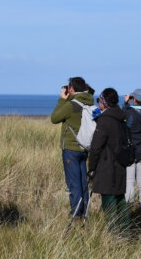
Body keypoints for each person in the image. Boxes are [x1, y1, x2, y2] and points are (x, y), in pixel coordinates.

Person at [50, 77, 96, 220]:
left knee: (73, 182)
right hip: (85, 147)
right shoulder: (90, 103)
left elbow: (55, 118)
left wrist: (62, 100)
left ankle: (76, 213)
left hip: (71, 148)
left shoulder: (71, 105)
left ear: (71, 89)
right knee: (83, 182)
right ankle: (85, 212)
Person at [87, 87, 130, 234]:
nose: (98, 102)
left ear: (104, 102)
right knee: (120, 199)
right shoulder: (122, 117)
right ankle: (125, 232)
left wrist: (91, 168)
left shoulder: (105, 120)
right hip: (121, 164)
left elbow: (95, 148)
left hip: (107, 165)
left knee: (109, 200)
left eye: (99, 100)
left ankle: (113, 234)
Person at [123, 89, 141, 212]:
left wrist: (125, 103)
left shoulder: (130, 112)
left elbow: (123, 117)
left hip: (130, 152)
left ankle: (128, 209)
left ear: (134, 99)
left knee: (129, 181)